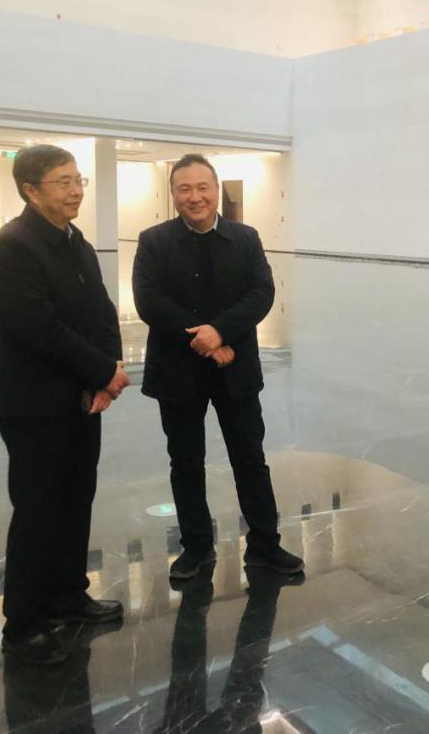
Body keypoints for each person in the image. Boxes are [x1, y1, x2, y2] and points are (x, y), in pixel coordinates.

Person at [0, 144, 130, 666]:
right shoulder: (11, 248)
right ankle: (23, 623)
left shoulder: (75, 241)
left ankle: (69, 595)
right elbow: (39, 331)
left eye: (78, 180)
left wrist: (106, 370)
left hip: (82, 399)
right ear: (30, 190)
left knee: (75, 498)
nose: (75, 191)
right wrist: (102, 371)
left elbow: (101, 310)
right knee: (39, 509)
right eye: (63, 182)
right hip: (36, 406)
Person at [133, 153, 303, 581]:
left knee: (250, 458)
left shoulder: (245, 238)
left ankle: (265, 545)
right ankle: (196, 548)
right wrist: (206, 342)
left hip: (235, 369)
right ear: (173, 194)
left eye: (202, 187)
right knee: (185, 462)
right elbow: (149, 302)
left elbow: (262, 292)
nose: (195, 197)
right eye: (185, 189)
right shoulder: (153, 241)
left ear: (216, 190)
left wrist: (221, 331)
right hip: (178, 371)